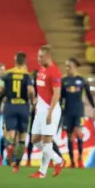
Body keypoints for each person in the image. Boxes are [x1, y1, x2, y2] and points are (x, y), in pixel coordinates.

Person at [29, 45, 65, 178]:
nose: (38, 59)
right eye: (38, 56)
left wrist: (50, 112)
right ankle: (59, 160)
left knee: (46, 141)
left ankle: (42, 172)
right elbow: (40, 89)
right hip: (40, 109)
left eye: (41, 56)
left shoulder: (54, 72)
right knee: (35, 140)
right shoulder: (41, 69)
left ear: (48, 57)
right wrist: (35, 100)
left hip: (51, 110)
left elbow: (57, 94)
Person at [2, 52, 35, 173]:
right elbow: (30, 90)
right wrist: (32, 101)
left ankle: (10, 147)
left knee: (10, 133)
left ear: (15, 60)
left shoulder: (7, 73)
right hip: (23, 106)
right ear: (25, 62)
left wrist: (5, 94)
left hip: (10, 106)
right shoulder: (28, 75)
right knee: (22, 137)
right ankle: (16, 165)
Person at [61, 57, 95, 168]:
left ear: (75, 67)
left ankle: (80, 160)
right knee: (70, 136)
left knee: (79, 133)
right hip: (67, 111)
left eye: (69, 66)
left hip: (78, 111)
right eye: (66, 66)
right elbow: (60, 97)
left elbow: (89, 94)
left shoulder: (81, 80)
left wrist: (94, 108)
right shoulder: (64, 80)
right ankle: (72, 161)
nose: (67, 68)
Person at [26, 69, 63, 168]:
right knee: (34, 138)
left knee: (47, 139)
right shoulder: (34, 85)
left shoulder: (49, 85)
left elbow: (56, 96)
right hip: (37, 113)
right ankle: (30, 160)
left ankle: (56, 159)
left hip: (47, 113)